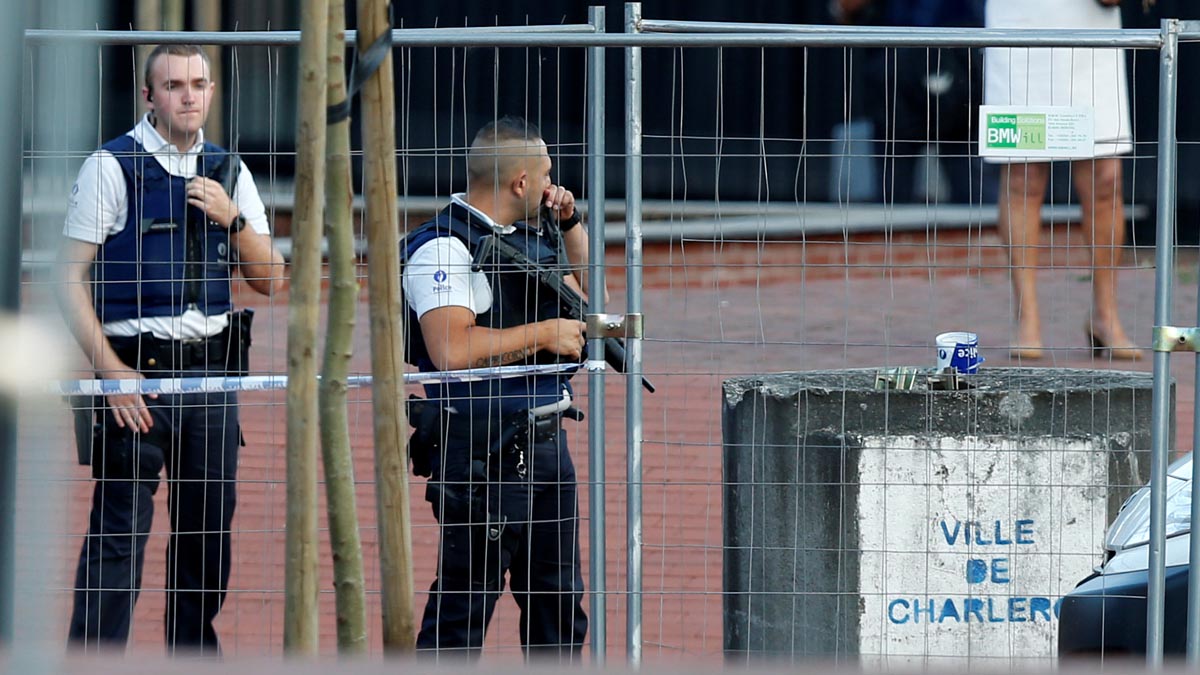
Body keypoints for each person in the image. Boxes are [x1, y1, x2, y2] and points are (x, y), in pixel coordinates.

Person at [58, 44, 284, 653]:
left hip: (212, 381)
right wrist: (111, 373)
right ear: (149, 97)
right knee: (119, 540)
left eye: (199, 84)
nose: (190, 95)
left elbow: (273, 278)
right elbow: (66, 277)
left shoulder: (229, 170)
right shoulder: (112, 166)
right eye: (175, 85)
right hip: (139, 377)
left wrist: (234, 220)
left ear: (211, 92)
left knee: (208, 540)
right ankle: (93, 662)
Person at [401, 116, 593, 659]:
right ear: (520, 183)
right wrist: (545, 334)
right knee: (464, 611)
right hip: (481, 448)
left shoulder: (529, 236)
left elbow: (590, 297)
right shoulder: (442, 246)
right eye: (549, 174)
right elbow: (450, 351)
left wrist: (571, 222)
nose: (557, 185)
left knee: (559, 608)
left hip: (547, 438)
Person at [984, 0, 1140, 360]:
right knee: (1024, 174)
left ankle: (1106, 313)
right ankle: (1027, 317)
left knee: (1106, 178)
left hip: (1091, 24)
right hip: (1021, 20)